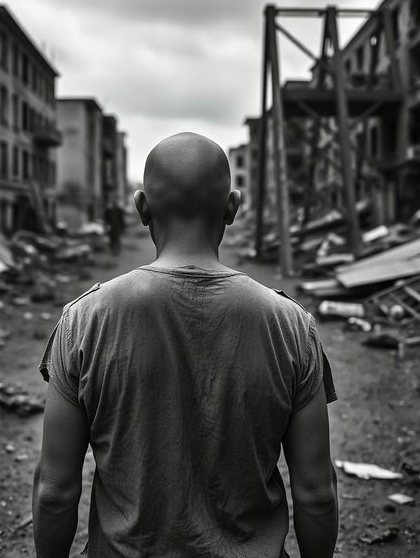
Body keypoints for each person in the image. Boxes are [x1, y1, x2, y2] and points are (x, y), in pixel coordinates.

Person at [33, 132, 338, 558]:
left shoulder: (84, 321)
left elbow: (55, 492)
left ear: (141, 208)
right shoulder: (292, 326)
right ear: (232, 208)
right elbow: (316, 493)